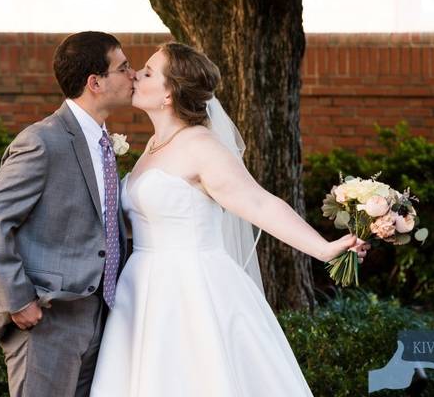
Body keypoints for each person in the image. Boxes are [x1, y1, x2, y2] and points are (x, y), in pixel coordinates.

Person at [89, 41, 370, 396]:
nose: (135, 75)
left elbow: (259, 203)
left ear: (169, 95)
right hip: (139, 287)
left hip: (190, 287)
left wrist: (324, 249)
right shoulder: (153, 146)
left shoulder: (201, 146)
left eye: (147, 72)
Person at [0, 31, 136, 397]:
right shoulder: (43, 141)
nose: (133, 75)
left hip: (98, 317)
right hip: (48, 319)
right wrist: (17, 300)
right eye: (123, 67)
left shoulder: (103, 141)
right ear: (95, 82)